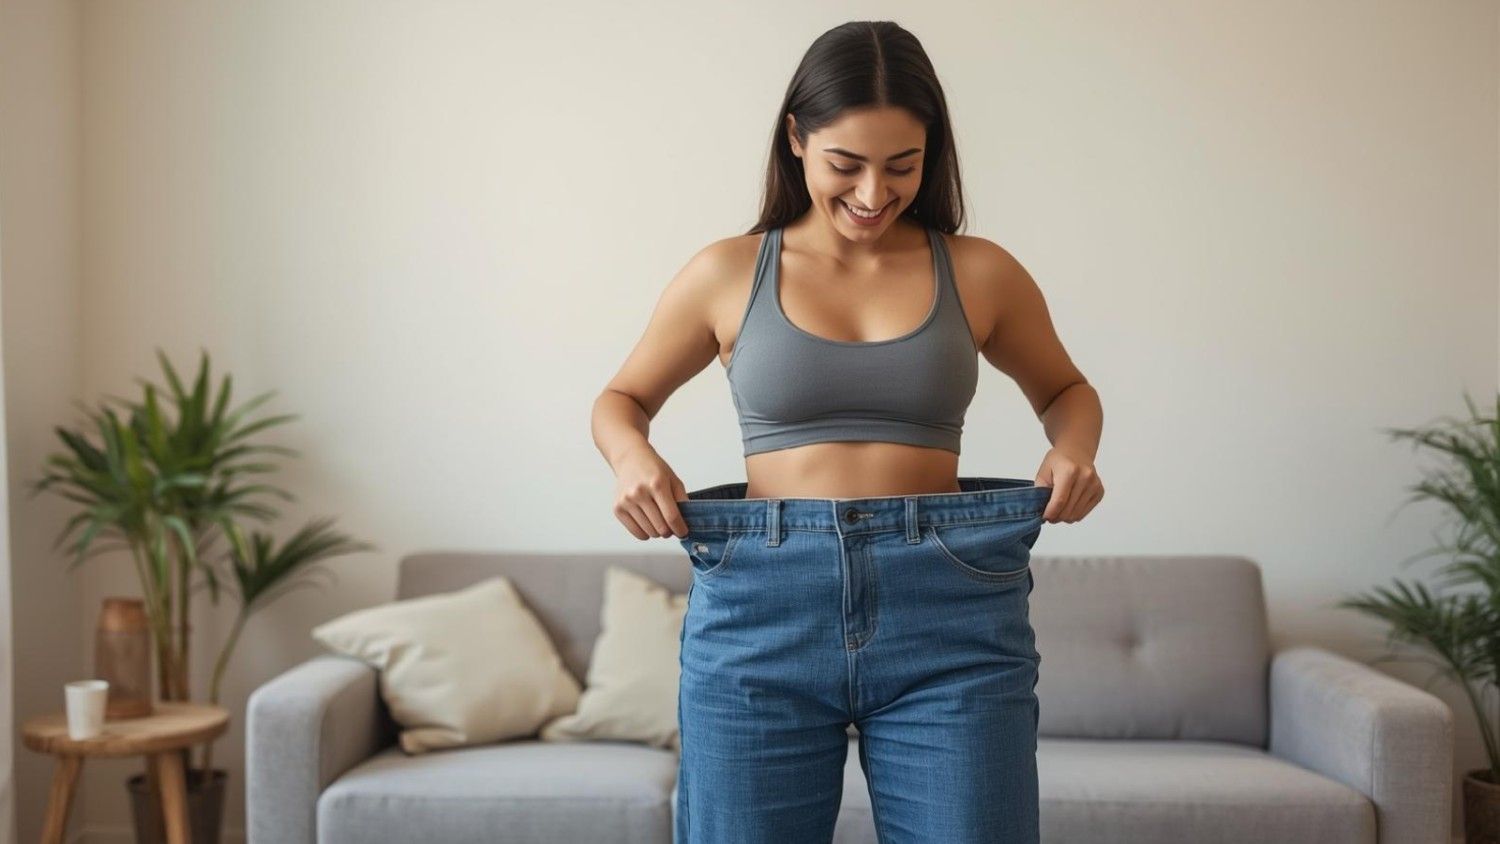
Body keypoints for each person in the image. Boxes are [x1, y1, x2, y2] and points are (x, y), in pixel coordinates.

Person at [591, 20, 1103, 844]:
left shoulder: (979, 272)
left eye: (902, 166)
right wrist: (631, 457)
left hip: (950, 610)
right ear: (795, 138)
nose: (873, 193)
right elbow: (621, 399)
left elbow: (1068, 391)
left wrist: (1073, 449)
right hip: (761, 609)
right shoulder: (728, 271)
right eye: (846, 164)